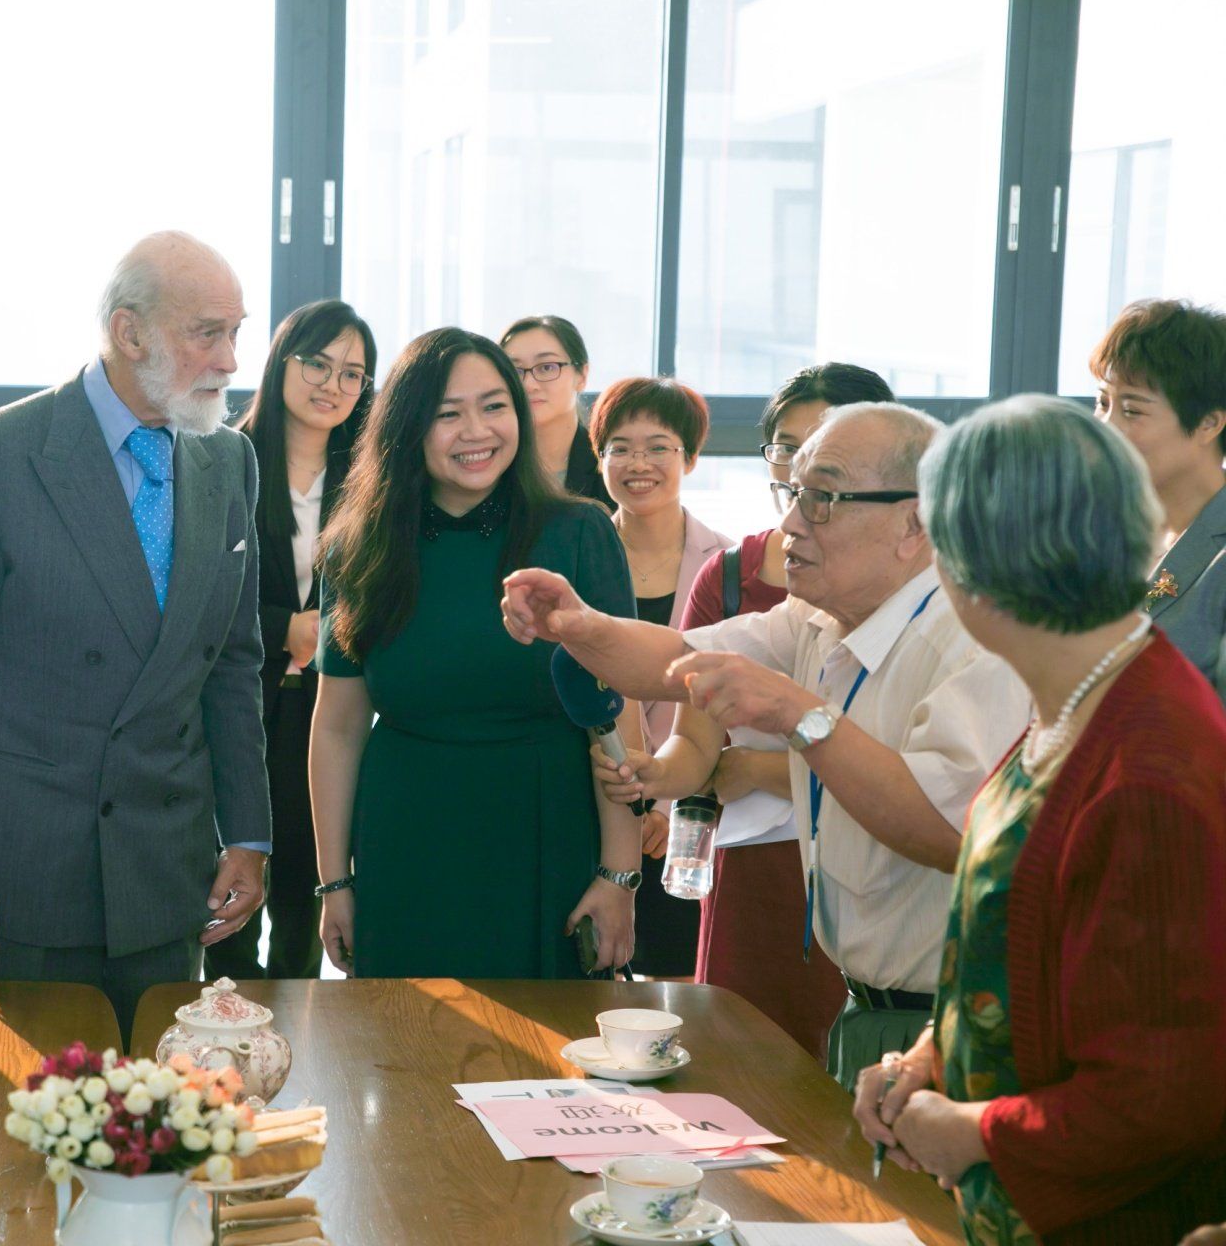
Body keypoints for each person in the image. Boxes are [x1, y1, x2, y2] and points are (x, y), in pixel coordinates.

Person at [504, 402, 1031, 1090]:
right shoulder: (820, 616)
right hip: (871, 1012)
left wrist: (797, 715)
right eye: (792, 494)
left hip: (957, 1026)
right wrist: (580, 625)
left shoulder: (976, 637)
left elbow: (948, 831)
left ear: (915, 523)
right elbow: (676, 660)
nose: (789, 526)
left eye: (823, 501)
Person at [854, 396, 1226, 1245]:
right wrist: (926, 1061)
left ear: (971, 563)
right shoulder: (1082, 697)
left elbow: (1166, 1096)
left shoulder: (1152, 768)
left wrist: (971, 1129)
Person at [0, 231, 272, 1040]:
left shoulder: (228, 462)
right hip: (25, 876)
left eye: (236, 332)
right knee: (25, 1130)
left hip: (170, 871)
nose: (231, 359)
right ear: (130, 331)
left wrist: (249, 834)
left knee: (162, 1127)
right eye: (207, 332)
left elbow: (233, 669)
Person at [308, 327, 643, 980]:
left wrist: (619, 874)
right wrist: (333, 884)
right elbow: (338, 727)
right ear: (407, 427)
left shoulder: (578, 534)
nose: (477, 430)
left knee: (547, 1066)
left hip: (551, 833)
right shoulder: (358, 549)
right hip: (408, 839)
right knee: (406, 1057)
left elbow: (615, 718)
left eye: (495, 406)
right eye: (448, 413)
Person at [615, 364, 895, 1058]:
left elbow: (905, 778)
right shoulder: (735, 577)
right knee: (737, 1066)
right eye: (786, 451)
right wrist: (655, 777)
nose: (801, 477)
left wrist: (762, 770)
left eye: (823, 453)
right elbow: (694, 742)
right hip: (748, 873)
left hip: (858, 867)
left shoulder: (903, 591)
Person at [205, 300, 376, 982]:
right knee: (230, 898)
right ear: (281, 361)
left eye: (353, 373)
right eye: (317, 363)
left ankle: (299, 1053)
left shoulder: (371, 485)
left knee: (310, 900)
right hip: (234, 709)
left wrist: (334, 630)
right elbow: (194, 592)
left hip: (326, 715)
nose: (332, 384)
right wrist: (286, 627)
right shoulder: (220, 460)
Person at [586, 377, 731, 981]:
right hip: (590, 818)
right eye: (619, 447)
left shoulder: (727, 569)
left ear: (690, 458)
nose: (637, 463)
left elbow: (729, 711)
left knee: (678, 1001)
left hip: (688, 832)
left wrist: (664, 804)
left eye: (658, 447)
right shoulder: (577, 557)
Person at [1088, 298, 1226, 702]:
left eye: (1131, 410)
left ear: (1209, 423)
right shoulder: (1098, 530)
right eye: (1102, 403)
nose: (1105, 428)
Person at [499, 315, 612, 506]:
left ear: (582, 376)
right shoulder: (491, 463)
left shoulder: (609, 465)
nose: (528, 384)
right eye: (515, 371)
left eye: (547, 367)